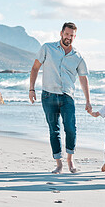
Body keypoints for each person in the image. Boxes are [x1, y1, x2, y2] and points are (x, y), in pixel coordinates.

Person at [29, 22, 91, 174]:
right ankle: (59, 163)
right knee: (54, 130)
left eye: (72, 35)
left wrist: (88, 100)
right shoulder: (47, 48)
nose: (68, 37)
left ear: (74, 37)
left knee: (71, 129)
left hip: (67, 96)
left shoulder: (78, 56)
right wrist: (32, 89)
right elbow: (35, 68)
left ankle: (70, 160)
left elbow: (83, 78)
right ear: (61, 33)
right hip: (48, 95)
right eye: (67, 34)